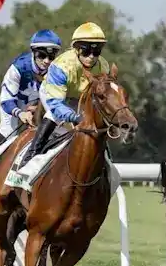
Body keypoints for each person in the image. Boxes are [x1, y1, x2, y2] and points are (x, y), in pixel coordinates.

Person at [0, 29, 62, 188]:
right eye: (42, 55)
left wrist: (36, 108)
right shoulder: (18, 67)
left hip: (36, 106)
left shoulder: (57, 70)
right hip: (13, 105)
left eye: (51, 56)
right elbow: (6, 101)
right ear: (33, 52)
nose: (47, 61)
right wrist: (20, 113)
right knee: (8, 131)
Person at [16, 22, 111, 171]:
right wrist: (77, 118)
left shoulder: (104, 67)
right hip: (55, 95)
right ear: (77, 49)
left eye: (97, 52)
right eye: (86, 52)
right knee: (55, 116)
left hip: (80, 99)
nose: (92, 57)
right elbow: (56, 104)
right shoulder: (62, 65)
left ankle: (105, 160)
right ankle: (30, 155)